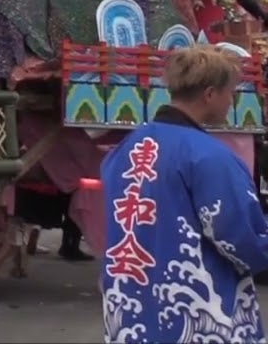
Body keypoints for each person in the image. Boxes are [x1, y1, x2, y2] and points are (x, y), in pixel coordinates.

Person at [101, 46, 268, 341]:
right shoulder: (209, 156)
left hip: (129, 310)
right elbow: (241, 239)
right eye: (231, 93)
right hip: (196, 316)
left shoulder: (125, 149)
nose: (231, 102)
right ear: (209, 94)